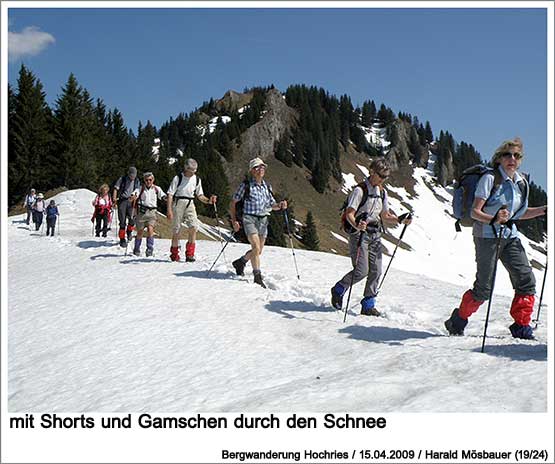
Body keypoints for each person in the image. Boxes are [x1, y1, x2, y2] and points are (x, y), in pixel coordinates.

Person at [444, 137, 547, 340]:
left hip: (510, 236)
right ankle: (457, 320)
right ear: (499, 158)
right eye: (507, 154)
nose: (512, 159)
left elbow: (519, 213)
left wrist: (543, 211)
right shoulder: (490, 179)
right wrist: (494, 218)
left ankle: (521, 326)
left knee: (526, 281)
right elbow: (475, 212)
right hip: (486, 237)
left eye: (516, 156)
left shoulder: (521, 182)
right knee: (483, 289)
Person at [330, 159, 412, 316]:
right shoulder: (359, 191)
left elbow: (385, 216)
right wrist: (356, 225)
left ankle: (368, 304)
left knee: (376, 270)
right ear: (372, 172)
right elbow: (349, 213)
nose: (383, 179)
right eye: (381, 175)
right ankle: (339, 289)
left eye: (386, 176)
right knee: (361, 271)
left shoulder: (382, 193)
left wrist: (400, 219)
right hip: (359, 235)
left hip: (375, 234)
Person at [229, 157, 287, 288]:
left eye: (263, 167)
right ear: (252, 171)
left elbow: (272, 205)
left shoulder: (267, 186)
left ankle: (241, 262)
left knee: (258, 250)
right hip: (249, 219)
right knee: (255, 247)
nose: (261, 169)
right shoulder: (246, 186)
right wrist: (234, 221)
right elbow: (233, 203)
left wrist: (280, 205)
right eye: (258, 167)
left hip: (263, 220)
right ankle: (257, 276)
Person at [166, 158, 217, 262]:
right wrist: (169, 210)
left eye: (195, 170)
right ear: (186, 168)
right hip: (178, 202)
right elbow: (170, 194)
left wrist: (209, 201)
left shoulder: (197, 179)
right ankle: (174, 254)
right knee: (176, 229)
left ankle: (190, 254)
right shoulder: (178, 178)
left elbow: (200, 195)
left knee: (193, 227)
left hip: (190, 203)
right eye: (191, 170)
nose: (194, 172)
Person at [130, 172, 166, 257]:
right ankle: (137, 248)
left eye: (150, 180)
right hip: (141, 213)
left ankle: (149, 249)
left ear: (153, 180)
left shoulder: (157, 189)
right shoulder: (140, 188)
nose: (148, 181)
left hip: (152, 212)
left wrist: (167, 198)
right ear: (144, 180)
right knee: (140, 232)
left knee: (150, 230)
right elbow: (134, 194)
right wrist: (132, 197)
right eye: (147, 180)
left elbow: (163, 195)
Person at [113, 167, 141, 247]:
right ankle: (122, 239)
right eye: (131, 175)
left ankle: (129, 231)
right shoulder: (122, 179)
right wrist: (114, 199)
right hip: (122, 200)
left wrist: (135, 196)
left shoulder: (136, 181)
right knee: (122, 221)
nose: (133, 177)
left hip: (132, 201)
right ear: (128, 174)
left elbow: (137, 190)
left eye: (134, 175)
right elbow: (116, 188)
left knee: (132, 219)